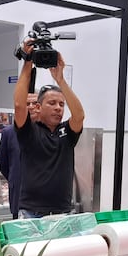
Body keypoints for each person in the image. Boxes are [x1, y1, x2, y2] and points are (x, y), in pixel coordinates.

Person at [13, 45, 85, 218]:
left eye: (61, 104)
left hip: (62, 211)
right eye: (52, 103)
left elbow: (79, 115)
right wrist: (27, 62)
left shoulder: (67, 132)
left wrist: (60, 80)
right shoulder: (29, 130)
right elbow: (19, 105)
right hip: (31, 212)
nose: (58, 108)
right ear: (38, 106)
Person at [0, 94, 38, 219]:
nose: (30, 107)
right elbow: (4, 164)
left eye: (34, 103)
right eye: (27, 104)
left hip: (44, 200)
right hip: (19, 196)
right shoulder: (8, 133)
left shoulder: (47, 131)